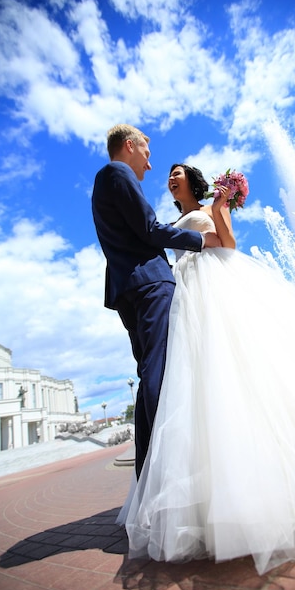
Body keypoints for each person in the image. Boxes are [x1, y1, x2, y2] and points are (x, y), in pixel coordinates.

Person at [117, 163, 295, 575]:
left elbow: (228, 244)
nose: (171, 177)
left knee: (238, 371)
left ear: (193, 181)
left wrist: (221, 204)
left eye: (178, 172)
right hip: (184, 298)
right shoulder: (168, 221)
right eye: (168, 174)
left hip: (211, 288)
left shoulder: (208, 207)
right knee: (199, 391)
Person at [91, 127, 221, 478]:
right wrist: (200, 240)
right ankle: (168, 470)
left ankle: (148, 470)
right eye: (147, 154)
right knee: (160, 372)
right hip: (149, 284)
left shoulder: (103, 184)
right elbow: (149, 229)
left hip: (127, 289)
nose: (150, 165)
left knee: (150, 369)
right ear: (130, 146)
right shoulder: (117, 174)